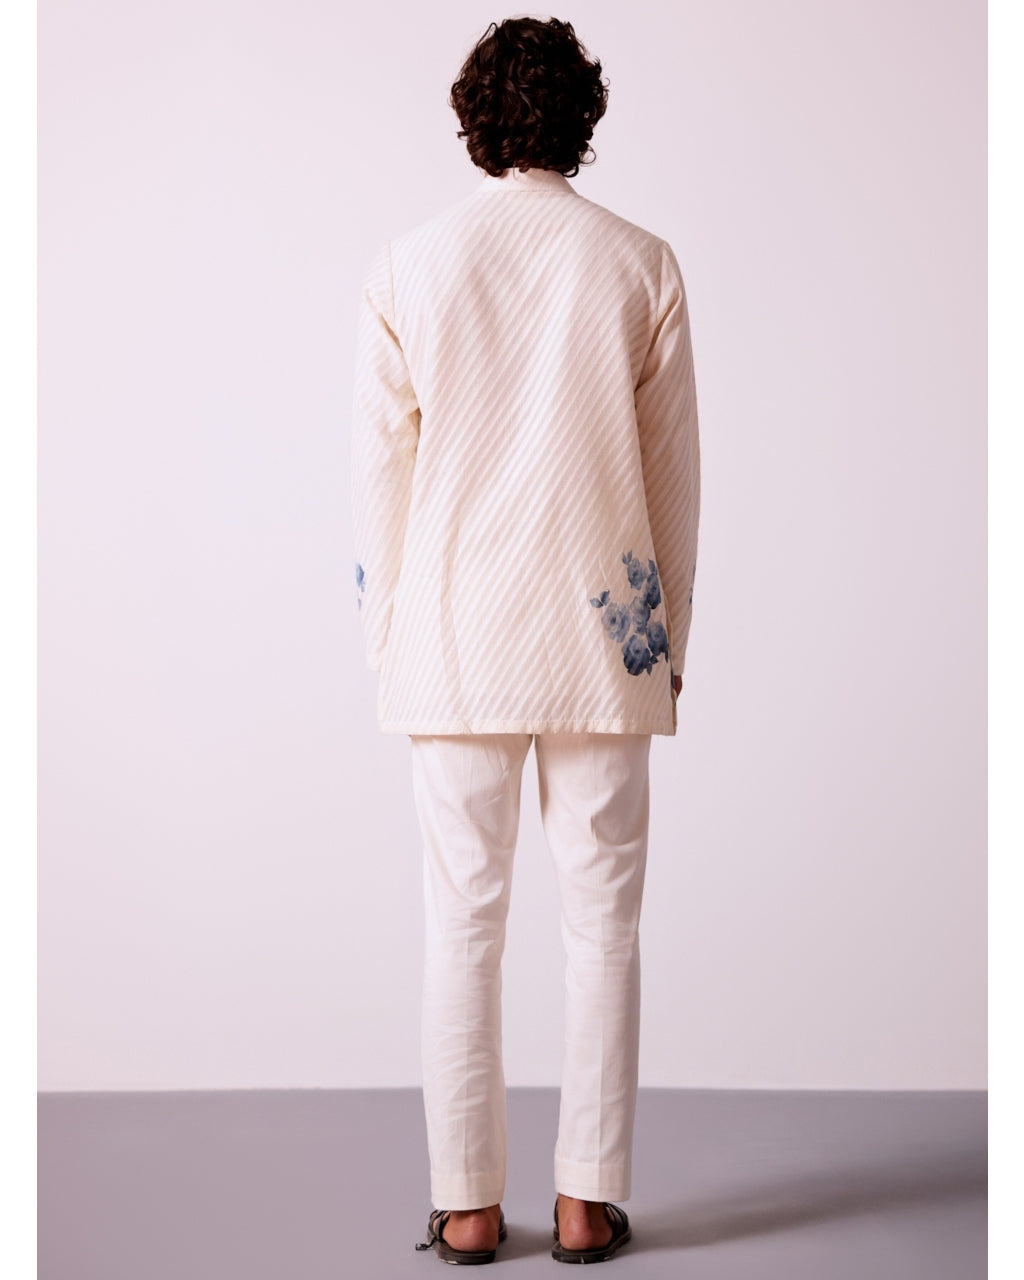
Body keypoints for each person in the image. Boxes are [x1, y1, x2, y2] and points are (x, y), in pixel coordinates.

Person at [351, 15, 701, 1266]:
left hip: (453, 634)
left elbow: (379, 481)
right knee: (602, 920)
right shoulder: (640, 264)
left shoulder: (408, 265)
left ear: (474, 120)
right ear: (582, 121)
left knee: (463, 918)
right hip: (602, 632)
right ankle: (584, 1199)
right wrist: (662, 649)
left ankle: (464, 1203)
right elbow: (672, 483)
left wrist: (390, 640)